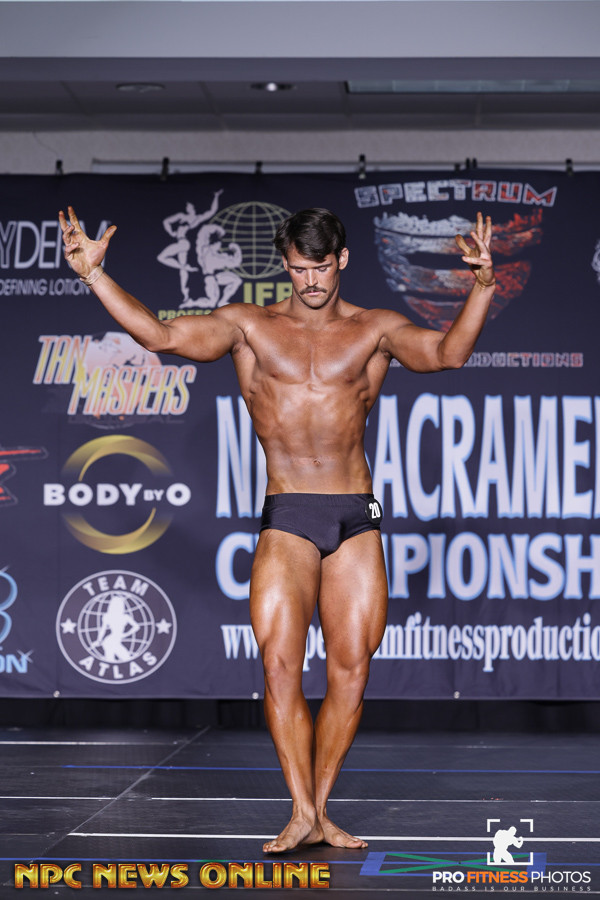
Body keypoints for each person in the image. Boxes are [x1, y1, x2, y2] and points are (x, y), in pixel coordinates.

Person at [59, 204, 495, 854]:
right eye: (298, 269)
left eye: (321, 267)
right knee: (280, 664)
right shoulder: (249, 327)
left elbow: (447, 354)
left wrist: (482, 286)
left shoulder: (375, 329)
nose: (311, 281)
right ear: (285, 266)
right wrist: (96, 276)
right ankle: (300, 810)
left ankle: (320, 810)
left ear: (341, 260)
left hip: (354, 517)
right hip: (288, 515)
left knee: (351, 670)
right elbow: (160, 337)